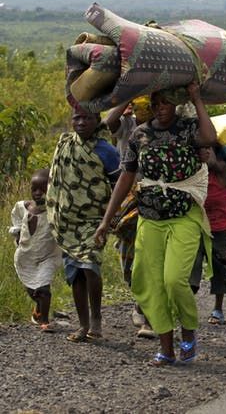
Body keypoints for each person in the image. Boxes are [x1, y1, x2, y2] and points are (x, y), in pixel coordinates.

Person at [94, 84, 217, 367]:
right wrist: (106, 221)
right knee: (151, 283)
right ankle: (166, 348)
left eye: (165, 102)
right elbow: (126, 177)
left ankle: (188, 332)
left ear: (175, 103)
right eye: (155, 102)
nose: (160, 107)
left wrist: (197, 98)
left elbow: (210, 137)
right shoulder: (140, 134)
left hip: (184, 215)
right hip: (150, 219)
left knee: (174, 280)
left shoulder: (188, 128)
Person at [47, 107, 120, 343]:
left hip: (94, 220)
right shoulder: (66, 145)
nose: (80, 122)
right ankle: (83, 324)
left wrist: (113, 216)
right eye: (76, 117)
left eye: (86, 118)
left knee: (90, 265)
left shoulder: (106, 150)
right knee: (75, 274)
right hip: (67, 221)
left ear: (96, 121)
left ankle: (96, 318)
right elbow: (56, 180)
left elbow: (119, 182)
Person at [103, 96, 155, 337]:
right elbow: (108, 122)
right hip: (128, 200)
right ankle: (140, 300)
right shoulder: (127, 126)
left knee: (151, 258)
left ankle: (150, 311)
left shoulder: (162, 126)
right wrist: (124, 98)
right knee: (129, 260)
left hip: (155, 200)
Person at [8, 169, 61, 332]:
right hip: (26, 256)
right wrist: (17, 232)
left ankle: (44, 321)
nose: (38, 193)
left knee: (44, 289)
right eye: (34, 189)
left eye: (42, 189)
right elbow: (16, 214)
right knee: (33, 291)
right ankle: (38, 309)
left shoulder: (54, 211)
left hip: (47, 257)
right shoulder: (24, 206)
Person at [189, 145, 226, 325]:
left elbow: (217, 165)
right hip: (196, 224)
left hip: (219, 226)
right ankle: (186, 307)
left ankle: (218, 309)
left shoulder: (221, 170)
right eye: (203, 149)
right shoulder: (194, 171)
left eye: (210, 149)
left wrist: (211, 161)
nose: (206, 152)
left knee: (219, 266)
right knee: (192, 265)